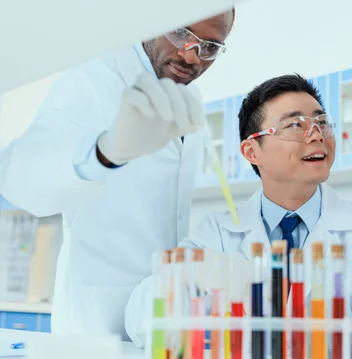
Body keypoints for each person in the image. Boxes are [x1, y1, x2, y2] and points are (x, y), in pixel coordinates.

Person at [126, 74, 352, 359]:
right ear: (251, 151)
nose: (316, 135)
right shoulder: (219, 233)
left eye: (321, 122)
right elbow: (140, 322)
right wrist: (194, 274)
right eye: (294, 125)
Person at [0, 9, 235, 340]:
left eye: (210, 46)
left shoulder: (187, 101)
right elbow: (18, 181)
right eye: (181, 33)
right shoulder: (92, 81)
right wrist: (105, 152)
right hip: (94, 333)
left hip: (159, 329)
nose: (191, 55)